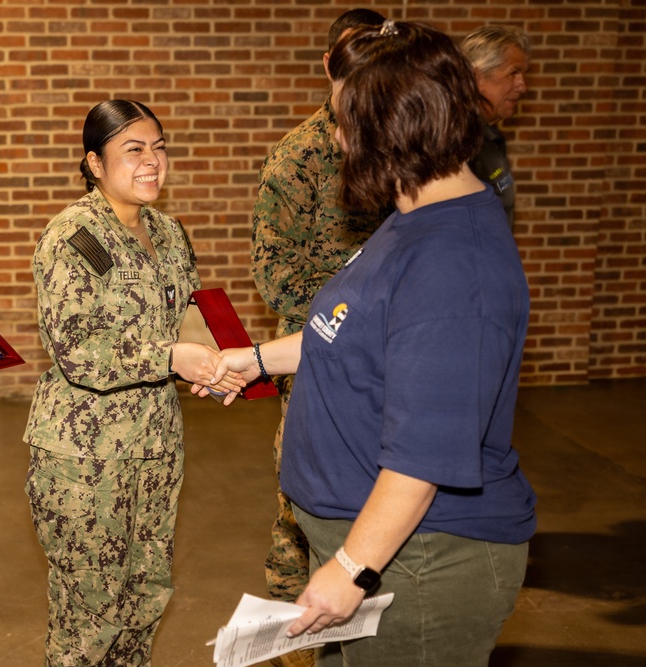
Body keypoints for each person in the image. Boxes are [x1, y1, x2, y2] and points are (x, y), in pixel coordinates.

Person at [203, 21, 536, 666]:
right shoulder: (413, 217)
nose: (334, 136)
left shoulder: (452, 265)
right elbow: (350, 327)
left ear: (393, 129)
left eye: (343, 120)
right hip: (383, 551)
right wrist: (259, 361)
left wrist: (352, 567)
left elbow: (424, 458)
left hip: (420, 563)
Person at [24, 99, 243, 666]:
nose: (152, 161)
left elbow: (186, 318)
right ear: (95, 163)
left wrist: (219, 368)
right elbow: (74, 351)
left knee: (144, 598)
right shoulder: (74, 235)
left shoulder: (169, 233)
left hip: (156, 444)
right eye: (134, 150)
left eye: (159, 147)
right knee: (91, 614)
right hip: (86, 454)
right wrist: (174, 357)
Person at [249, 10, 388, 667]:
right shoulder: (300, 156)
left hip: (386, 356)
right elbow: (275, 276)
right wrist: (347, 326)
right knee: (298, 506)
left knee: (377, 492)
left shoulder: (397, 144)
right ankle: (289, 642)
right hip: (314, 354)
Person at [461, 24, 531, 228]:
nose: (522, 86)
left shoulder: (490, 137)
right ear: (477, 77)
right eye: (513, 73)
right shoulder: (460, 144)